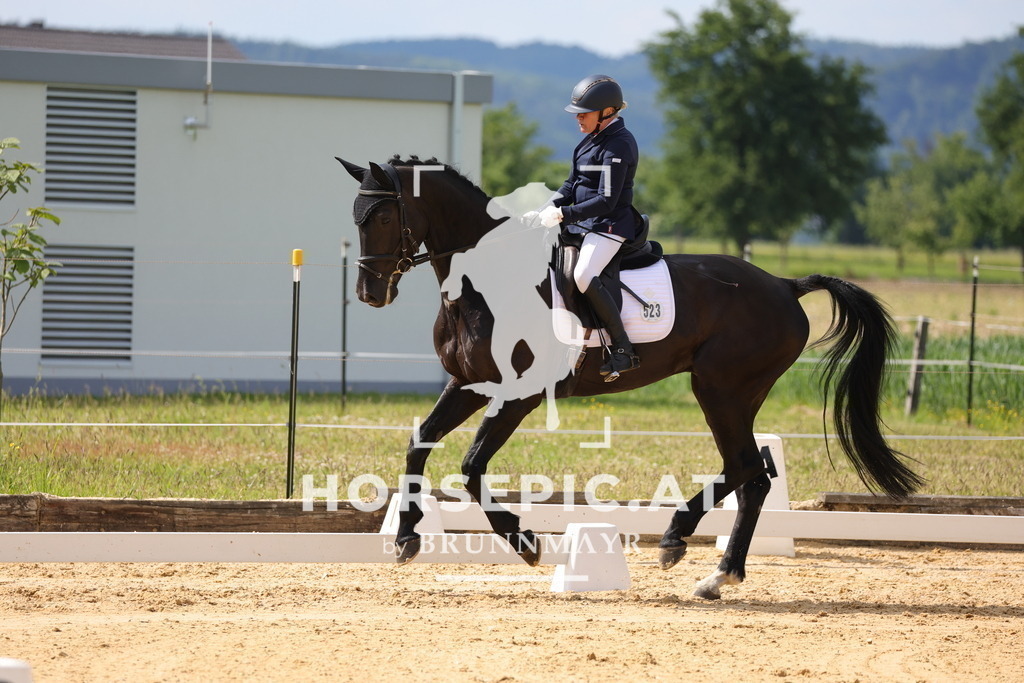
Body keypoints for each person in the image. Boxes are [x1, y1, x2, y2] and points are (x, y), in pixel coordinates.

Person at [537, 74, 641, 380]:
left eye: (584, 113)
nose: (578, 118)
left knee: (583, 274)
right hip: (584, 224)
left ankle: (623, 349)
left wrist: (564, 214)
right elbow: (571, 184)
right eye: (577, 114)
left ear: (607, 112)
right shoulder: (590, 140)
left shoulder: (619, 144)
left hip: (609, 225)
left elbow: (607, 200)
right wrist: (545, 208)